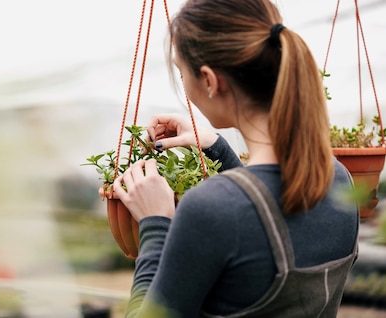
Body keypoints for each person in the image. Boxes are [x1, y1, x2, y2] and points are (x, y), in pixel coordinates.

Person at [112, 0, 359, 317]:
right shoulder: (339, 180)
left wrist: (155, 222)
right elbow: (264, 214)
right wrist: (217, 147)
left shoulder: (209, 209)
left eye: (180, 71)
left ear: (210, 80)